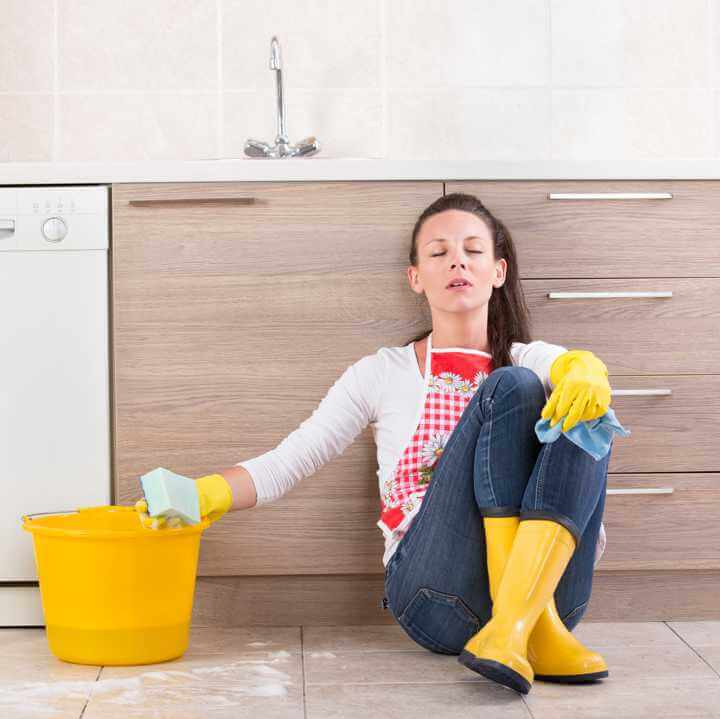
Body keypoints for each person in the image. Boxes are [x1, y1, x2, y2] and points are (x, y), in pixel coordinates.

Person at [136, 192, 614, 696]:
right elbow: (291, 460)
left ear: (498, 271)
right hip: (441, 599)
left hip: (557, 599)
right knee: (512, 387)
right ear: (416, 277)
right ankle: (516, 625)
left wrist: (585, 367)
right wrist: (203, 493)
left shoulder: (539, 358)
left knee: (585, 400)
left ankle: (519, 625)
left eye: (473, 250)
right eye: (438, 252)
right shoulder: (382, 373)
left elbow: (572, 390)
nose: (457, 260)